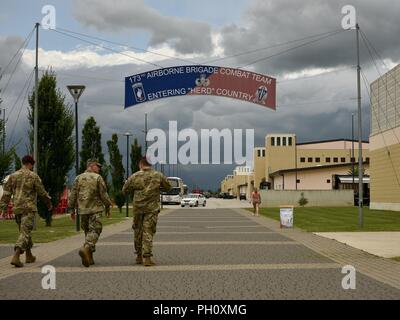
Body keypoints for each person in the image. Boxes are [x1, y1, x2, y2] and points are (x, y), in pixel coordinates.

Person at [0, 155, 52, 268]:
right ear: (30, 164)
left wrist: (3, 208)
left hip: (17, 208)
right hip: (28, 208)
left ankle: (29, 255)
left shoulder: (12, 176)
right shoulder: (33, 176)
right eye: (32, 165)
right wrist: (48, 203)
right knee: (25, 232)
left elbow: (6, 193)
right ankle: (16, 255)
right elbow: (42, 192)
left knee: (24, 231)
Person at [122, 157, 171, 267]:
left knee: (138, 232)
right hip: (151, 209)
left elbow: (124, 190)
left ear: (140, 164)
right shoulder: (158, 175)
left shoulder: (134, 176)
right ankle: (147, 258)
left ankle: (139, 256)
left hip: (138, 208)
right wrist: (158, 188)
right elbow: (168, 187)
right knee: (148, 231)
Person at [68, 159, 112, 268]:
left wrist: (71, 210)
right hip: (95, 210)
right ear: (91, 166)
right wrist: (108, 205)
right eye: (97, 166)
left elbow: (73, 195)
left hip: (83, 210)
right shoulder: (97, 178)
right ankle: (86, 247)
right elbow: (103, 194)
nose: (99, 168)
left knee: (88, 233)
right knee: (95, 231)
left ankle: (90, 257)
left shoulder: (78, 178)